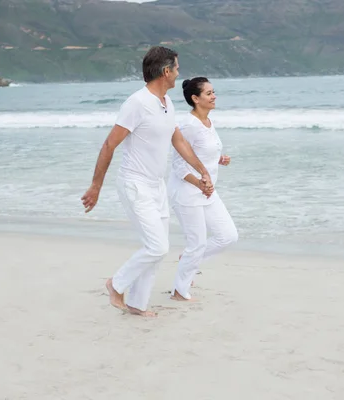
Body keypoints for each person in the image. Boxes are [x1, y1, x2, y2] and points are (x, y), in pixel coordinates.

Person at [81, 47, 213, 317]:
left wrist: (201, 170)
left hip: (156, 186)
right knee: (157, 246)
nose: (178, 73)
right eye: (176, 68)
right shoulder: (137, 103)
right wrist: (96, 186)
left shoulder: (167, 102)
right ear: (166, 71)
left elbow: (178, 140)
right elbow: (109, 144)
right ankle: (116, 284)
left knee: (157, 250)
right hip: (135, 183)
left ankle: (137, 304)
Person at [167, 77, 238, 301]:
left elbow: (199, 154)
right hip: (187, 191)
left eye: (213, 92)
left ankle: (187, 260)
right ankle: (179, 291)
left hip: (206, 189)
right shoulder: (188, 125)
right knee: (196, 243)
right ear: (195, 99)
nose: (214, 96)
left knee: (228, 236)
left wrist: (218, 160)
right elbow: (178, 164)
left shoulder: (208, 122)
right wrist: (199, 183)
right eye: (208, 93)